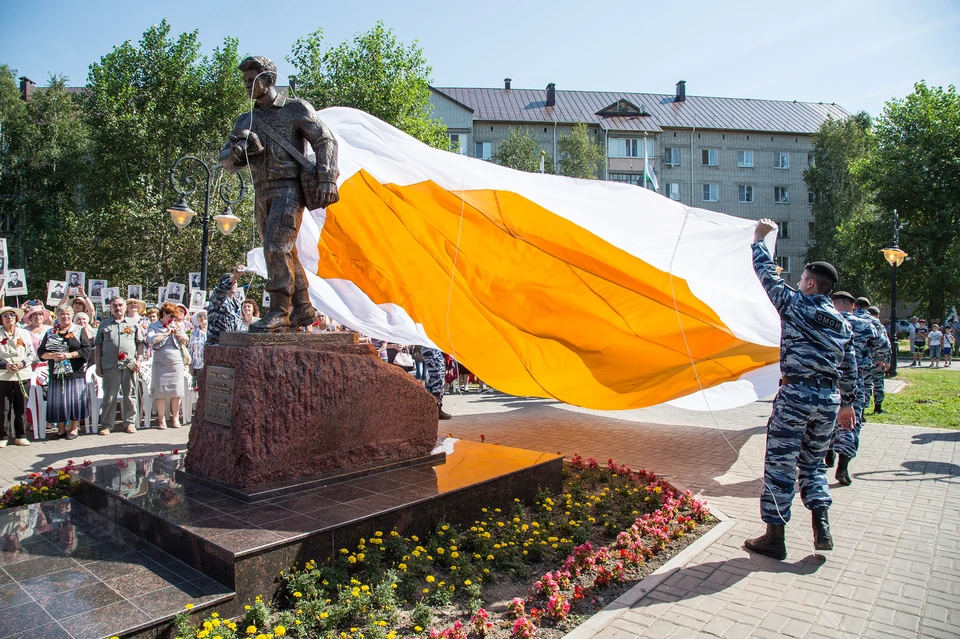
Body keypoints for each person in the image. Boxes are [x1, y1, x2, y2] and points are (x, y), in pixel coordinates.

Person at [743, 219, 856, 560]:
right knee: (814, 465)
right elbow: (848, 368)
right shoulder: (843, 323)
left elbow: (766, 274)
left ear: (809, 282)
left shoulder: (795, 304)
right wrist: (847, 405)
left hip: (795, 398)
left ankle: (775, 538)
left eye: (802, 279)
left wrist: (759, 239)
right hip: (827, 402)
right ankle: (821, 525)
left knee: (781, 462)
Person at [220, 55, 338, 333]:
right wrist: (237, 153)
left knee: (276, 247)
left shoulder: (295, 109)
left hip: (288, 188)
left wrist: (327, 176)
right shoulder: (244, 119)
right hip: (262, 191)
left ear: (269, 80)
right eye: (245, 81)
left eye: (253, 80)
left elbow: (325, 139)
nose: (247, 86)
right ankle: (302, 307)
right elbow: (225, 159)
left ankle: (278, 312)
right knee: (282, 250)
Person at [824, 291, 884, 486]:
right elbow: (883, 346)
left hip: (828, 382)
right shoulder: (868, 324)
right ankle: (843, 465)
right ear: (852, 306)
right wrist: (878, 360)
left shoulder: (823, 320)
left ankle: (828, 451)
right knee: (850, 422)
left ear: (832, 304)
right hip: (855, 382)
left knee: (827, 419)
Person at [37, 305, 90, 440]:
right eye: (62, 314)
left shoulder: (78, 330)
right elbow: (41, 352)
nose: (65, 317)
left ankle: (73, 428)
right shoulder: (50, 332)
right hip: (56, 373)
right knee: (58, 401)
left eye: (67, 314)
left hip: (74, 372)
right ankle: (60, 429)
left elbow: (86, 350)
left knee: (74, 400)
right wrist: (52, 356)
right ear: (57, 316)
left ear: (71, 315)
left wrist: (69, 355)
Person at [94, 297, 145, 435]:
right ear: (110, 308)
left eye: (120, 305)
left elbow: (140, 343)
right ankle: (106, 424)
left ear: (125, 307)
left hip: (129, 365)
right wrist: (98, 365)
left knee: (130, 395)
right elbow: (98, 346)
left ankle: (130, 423)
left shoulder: (133, 323)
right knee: (109, 396)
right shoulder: (104, 324)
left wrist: (139, 360)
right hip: (110, 365)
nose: (118, 308)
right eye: (114, 305)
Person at [146, 302, 188, 429]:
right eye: (171, 316)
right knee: (160, 391)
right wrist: (166, 333)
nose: (172, 319)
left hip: (176, 362)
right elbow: (151, 340)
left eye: (174, 317)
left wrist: (179, 335)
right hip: (160, 362)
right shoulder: (153, 326)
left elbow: (186, 339)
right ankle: (161, 420)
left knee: (176, 391)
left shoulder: (176, 325)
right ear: (163, 314)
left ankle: (175, 419)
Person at [0, 306, 37, 446]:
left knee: (21, 406)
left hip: (22, 374)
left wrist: (22, 363)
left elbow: (32, 353)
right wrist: (5, 366)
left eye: (12, 315)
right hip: (3, 375)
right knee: (3, 408)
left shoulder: (24, 333)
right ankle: (3, 436)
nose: (9, 317)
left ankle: (20, 435)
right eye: (5, 315)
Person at [206, 267, 245, 345]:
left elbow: (239, 326)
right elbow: (221, 290)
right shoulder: (216, 298)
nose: (233, 284)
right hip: (216, 345)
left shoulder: (237, 304)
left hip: (232, 346)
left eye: (235, 282)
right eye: (232, 282)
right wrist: (234, 277)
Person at [866, 306, 890, 413]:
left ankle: (861, 410)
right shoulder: (879, 325)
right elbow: (885, 344)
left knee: (865, 384)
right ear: (878, 315)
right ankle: (878, 407)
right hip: (877, 360)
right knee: (878, 383)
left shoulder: (862, 323)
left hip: (865, 360)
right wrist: (885, 360)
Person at [422, 346, 451, 420]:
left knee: (435, 379)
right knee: (437, 379)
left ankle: (429, 407)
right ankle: (436, 410)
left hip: (432, 348)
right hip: (430, 348)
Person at [188, 310, 207, 385]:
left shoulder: (212, 331)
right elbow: (190, 349)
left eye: (204, 315)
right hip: (197, 366)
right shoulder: (194, 333)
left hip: (210, 365)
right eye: (200, 316)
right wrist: (190, 366)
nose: (202, 317)